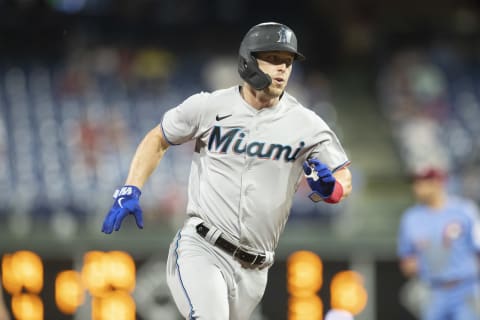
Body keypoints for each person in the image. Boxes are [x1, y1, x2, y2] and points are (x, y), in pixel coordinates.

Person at [101, 22, 352, 319]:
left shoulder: (306, 124)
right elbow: (158, 137)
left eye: (287, 61)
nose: (282, 69)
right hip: (203, 247)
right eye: (272, 59)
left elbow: (343, 177)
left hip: (256, 269)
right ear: (248, 60)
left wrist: (331, 190)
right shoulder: (208, 106)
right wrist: (131, 187)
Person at [397, 167, 480, 320]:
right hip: (433, 290)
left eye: (422, 182)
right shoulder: (411, 218)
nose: (416, 187)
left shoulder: (465, 211)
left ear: (437, 183)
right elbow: (406, 261)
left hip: (465, 287)